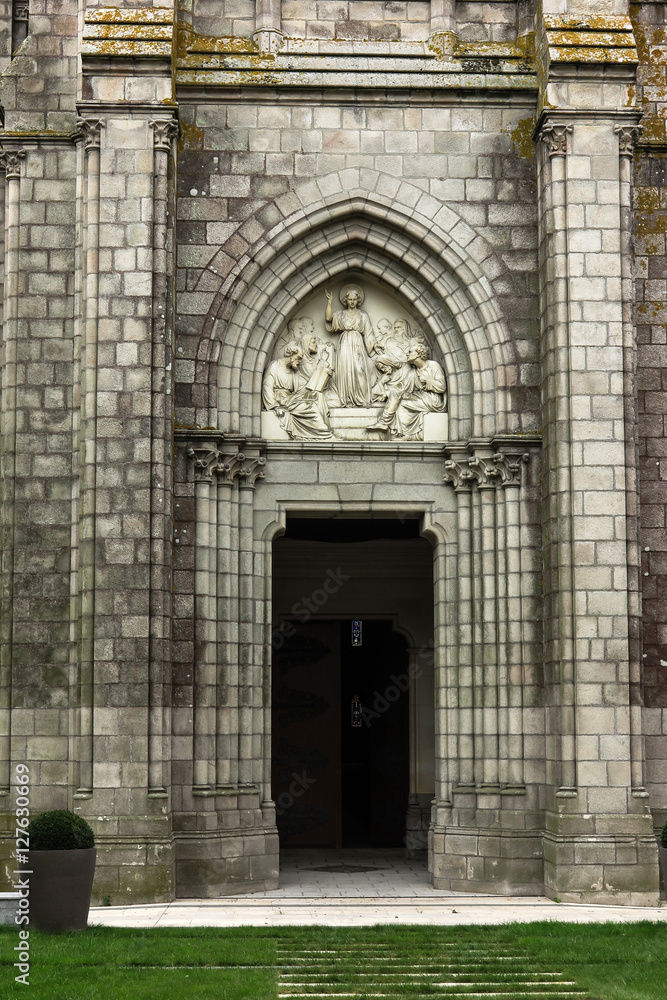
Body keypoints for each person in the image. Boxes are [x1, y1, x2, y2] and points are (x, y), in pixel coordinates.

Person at [262, 342, 333, 440]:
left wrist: (323, 373)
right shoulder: (275, 366)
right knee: (310, 406)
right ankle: (323, 433)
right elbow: (267, 387)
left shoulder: (293, 371)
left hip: (291, 398)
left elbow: (302, 389)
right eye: (299, 358)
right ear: (291, 356)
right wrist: (275, 406)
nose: (299, 361)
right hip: (281, 400)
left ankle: (326, 429)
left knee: (318, 395)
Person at [324, 285, 376, 406]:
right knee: (345, 370)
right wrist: (330, 302)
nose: (352, 302)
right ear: (345, 300)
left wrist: (374, 345)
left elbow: (369, 333)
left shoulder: (363, 315)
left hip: (357, 342)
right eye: (350, 299)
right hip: (345, 342)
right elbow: (328, 319)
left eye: (354, 299)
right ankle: (346, 398)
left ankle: (361, 399)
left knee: (359, 369)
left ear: (358, 301)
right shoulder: (340, 314)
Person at [393, 340, 447, 440]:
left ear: (418, 354)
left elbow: (442, 386)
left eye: (410, 352)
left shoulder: (433, 366)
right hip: (421, 396)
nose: (407, 354)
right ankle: (406, 433)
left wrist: (428, 381)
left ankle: (409, 436)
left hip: (433, 399)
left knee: (403, 405)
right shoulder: (415, 370)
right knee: (401, 401)